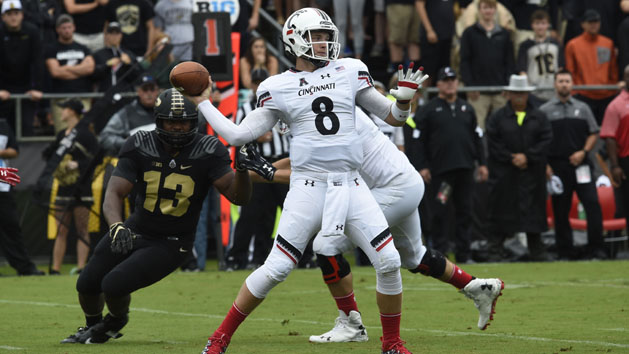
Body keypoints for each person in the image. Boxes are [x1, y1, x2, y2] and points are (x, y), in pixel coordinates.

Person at [190, 8, 427, 354]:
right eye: (315, 35)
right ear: (293, 40)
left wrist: (403, 100)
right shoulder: (277, 86)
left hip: (351, 183)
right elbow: (238, 134)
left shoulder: (351, 69)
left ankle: (392, 343)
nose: (323, 41)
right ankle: (220, 337)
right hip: (308, 186)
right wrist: (203, 103)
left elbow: (393, 117)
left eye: (325, 35)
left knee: (389, 261)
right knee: (277, 268)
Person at [258, 107, 503, 343]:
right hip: (403, 181)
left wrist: (265, 171)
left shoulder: (336, 116)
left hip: (392, 189)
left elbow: (312, 171)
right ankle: (477, 286)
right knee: (414, 256)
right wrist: (256, 169)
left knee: (325, 245)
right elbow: (300, 161)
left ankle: (350, 325)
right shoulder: (337, 107)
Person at [59, 88, 261, 344]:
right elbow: (114, 192)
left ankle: (116, 321)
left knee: (113, 284)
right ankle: (92, 325)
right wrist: (117, 225)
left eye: (184, 121)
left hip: (173, 241)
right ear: (159, 120)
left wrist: (242, 171)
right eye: (171, 121)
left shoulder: (208, 149)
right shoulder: (140, 143)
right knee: (87, 283)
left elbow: (239, 198)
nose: (177, 127)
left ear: (194, 121)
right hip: (137, 227)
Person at [414, 67, 488, 263]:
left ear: (457, 83)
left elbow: (477, 137)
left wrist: (482, 163)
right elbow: (418, 140)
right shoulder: (429, 110)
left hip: (465, 169)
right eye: (445, 80)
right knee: (440, 211)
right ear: (438, 85)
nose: (449, 83)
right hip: (442, 171)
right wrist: (422, 166)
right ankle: (440, 253)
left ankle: (464, 253)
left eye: (453, 80)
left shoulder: (467, 108)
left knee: (465, 210)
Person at [225, 68, 290, 271]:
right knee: (251, 213)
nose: (259, 84)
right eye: (256, 82)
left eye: (263, 80)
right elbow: (236, 135)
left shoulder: (283, 105)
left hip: (281, 160)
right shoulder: (245, 108)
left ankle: (265, 257)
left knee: (286, 211)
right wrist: (256, 136)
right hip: (257, 163)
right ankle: (237, 257)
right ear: (252, 85)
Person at [485, 75, 553, 261]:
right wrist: (510, 157)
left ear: (528, 94)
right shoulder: (497, 117)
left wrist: (528, 157)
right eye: (516, 93)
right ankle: (495, 250)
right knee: (501, 209)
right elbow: (493, 141)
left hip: (532, 174)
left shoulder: (539, 116)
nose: (519, 96)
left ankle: (536, 250)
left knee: (534, 212)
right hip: (505, 174)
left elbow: (546, 139)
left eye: (522, 93)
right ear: (508, 94)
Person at [540, 69, 606, 260]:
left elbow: (594, 132)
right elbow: (540, 141)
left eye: (567, 81)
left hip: (582, 165)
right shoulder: (545, 111)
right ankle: (565, 251)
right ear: (555, 84)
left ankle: (597, 249)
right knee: (560, 210)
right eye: (560, 81)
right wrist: (546, 167)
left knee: (592, 204)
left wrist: (583, 152)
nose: (564, 84)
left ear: (572, 84)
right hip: (558, 167)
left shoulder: (583, 108)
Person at [45, 99, 98, 275]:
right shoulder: (61, 135)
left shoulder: (86, 134)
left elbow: (96, 158)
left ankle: (82, 267)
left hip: (81, 187)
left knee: (82, 229)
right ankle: (55, 268)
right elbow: (49, 154)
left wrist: (78, 164)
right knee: (61, 229)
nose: (61, 112)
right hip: (63, 186)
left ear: (73, 112)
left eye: (64, 109)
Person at [460, 0, 515, 130]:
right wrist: (470, 86)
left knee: (503, 128)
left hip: (501, 91)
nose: (488, 11)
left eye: (491, 8)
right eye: (485, 8)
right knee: (477, 129)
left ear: (495, 10)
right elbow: (464, 61)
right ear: (479, 10)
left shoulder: (504, 34)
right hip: (477, 92)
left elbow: (510, 61)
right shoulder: (469, 33)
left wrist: (508, 85)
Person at [0, 119, 45, 276]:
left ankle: (24, 267)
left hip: (3, 185)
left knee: (11, 225)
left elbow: (14, 150)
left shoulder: (4, 125)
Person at [565, 9, 618, 125]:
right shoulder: (573, 45)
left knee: (606, 131)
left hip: (606, 95)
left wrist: (612, 89)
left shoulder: (608, 43)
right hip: (583, 95)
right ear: (583, 24)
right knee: (584, 130)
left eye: (596, 22)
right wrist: (574, 92)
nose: (594, 25)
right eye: (590, 22)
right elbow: (570, 70)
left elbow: (613, 69)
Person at [0, 0, 44, 137]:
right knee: (3, 131)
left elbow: (38, 61)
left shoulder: (32, 31)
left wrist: (38, 88)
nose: (13, 17)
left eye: (16, 13)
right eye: (9, 14)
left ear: (22, 15)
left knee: (26, 129)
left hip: (26, 89)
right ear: (3, 17)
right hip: (3, 89)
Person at [44, 14, 94, 133]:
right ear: (57, 30)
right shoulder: (51, 49)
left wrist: (66, 68)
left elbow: (90, 69)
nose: (67, 30)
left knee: (84, 133)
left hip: (82, 96)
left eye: (69, 27)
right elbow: (55, 72)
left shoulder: (83, 48)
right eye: (63, 27)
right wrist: (79, 70)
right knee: (63, 134)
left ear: (74, 28)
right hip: (60, 98)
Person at [99, 75, 160, 156]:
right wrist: (127, 143)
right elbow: (105, 137)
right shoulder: (126, 113)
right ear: (139, 91)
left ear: (157, 91)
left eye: (152, 89)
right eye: (145, 89)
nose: (149, 93)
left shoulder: (165, 111)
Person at [600, 64, 629, 235]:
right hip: (625, 159)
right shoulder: (616, 105)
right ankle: (617, 250)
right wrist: (615, 165)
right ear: (624, 79)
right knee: (625, 206)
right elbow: (610, 137)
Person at [517, 9, 564, 101]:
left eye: (543, 23)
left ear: (548, 25)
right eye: (537, 23)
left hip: (553, 90)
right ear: (532, 25)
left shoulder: (556, 44)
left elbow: (560, 67)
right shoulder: (525, 45)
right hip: (534, 92)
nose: (540, 27)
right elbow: (522, 70)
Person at [415, 0, 455, 87]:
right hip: (432, 35)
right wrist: (429, 30)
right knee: (428, 72)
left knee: (445, 73)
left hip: (448, 35)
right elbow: (419, 4)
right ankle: (423, 99)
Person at [91, 22, 140, 93]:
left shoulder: (129, 54)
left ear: (121, 35)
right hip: (105, 96)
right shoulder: (98, 54)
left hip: (125, 95)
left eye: (117, 33)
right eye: (111, 33)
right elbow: (93, 76)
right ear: (106, 35)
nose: (114, 36)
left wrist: (129, 64)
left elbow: (138, 77)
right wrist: (106, 65)